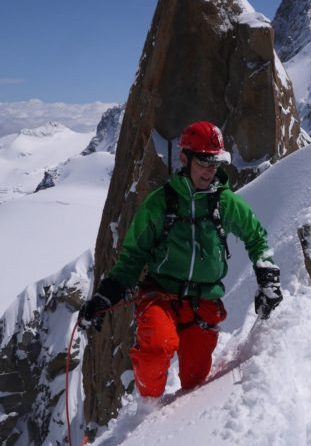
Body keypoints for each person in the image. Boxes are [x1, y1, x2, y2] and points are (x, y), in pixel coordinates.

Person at [79, 120, 282, 399]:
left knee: (195, 380)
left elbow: (256, 237)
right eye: (204, 162)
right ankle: (147, 414)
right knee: (158, 346)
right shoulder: (160, 203)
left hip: (204, 301)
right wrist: (107, 294)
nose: (211, 170)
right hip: (160, 294)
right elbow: (133, 255)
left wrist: (266, 275)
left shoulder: (225, 203)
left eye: (216, 163)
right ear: (185, 159)